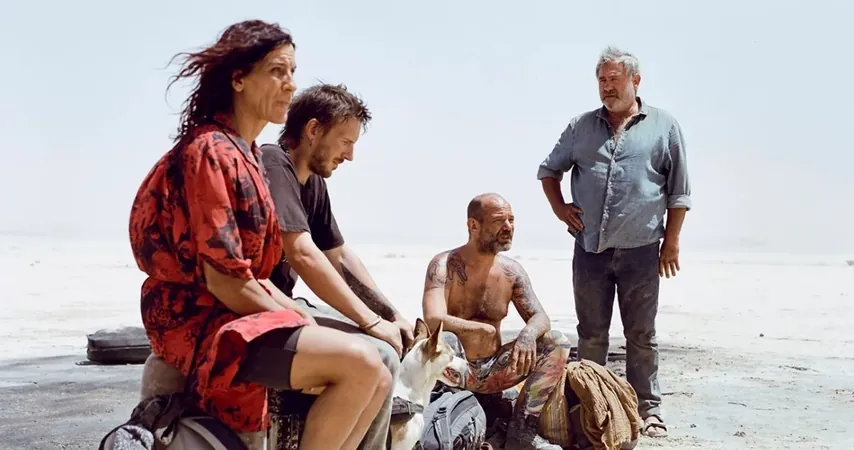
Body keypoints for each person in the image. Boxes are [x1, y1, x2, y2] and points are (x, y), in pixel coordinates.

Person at [128, 20, 391, 450]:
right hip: (202, 321)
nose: (290, 85)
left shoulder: (246, 154)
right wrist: (300, 321)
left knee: (378, 373)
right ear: (238, 79)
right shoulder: (210, 151)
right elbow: (227, 281)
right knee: (361, 362)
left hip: (238, 313)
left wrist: (301, 317)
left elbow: (257, 275)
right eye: (276, 71)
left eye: (292, 72)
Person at [536, 46, 692, 438]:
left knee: (642, 335)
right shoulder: (581, 126)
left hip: (642, 249)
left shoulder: (664, 126)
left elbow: (679, 192)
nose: (607, 87)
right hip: (590, 249)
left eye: (614, 79)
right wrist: (560, 209)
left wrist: (671, 242)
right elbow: (549, 170)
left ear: (635, 80)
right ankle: (591, 406)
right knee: (591, 334)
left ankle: (648, 410)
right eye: (602, 80)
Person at [259, 83, 414, 450]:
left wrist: (391, 315)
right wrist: (370, 323)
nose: (350, 155)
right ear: (313, 130)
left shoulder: (312, 183)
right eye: (345, 142)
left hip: (287, 309)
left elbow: (338, 256)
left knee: (386, 358)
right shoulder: (273, 163)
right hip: (259, 311)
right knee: (378, 355)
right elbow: (302, 254)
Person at [421, 193, 571, 450]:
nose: (509, 227)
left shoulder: (511, 272)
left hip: (494, 371)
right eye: (500, 221)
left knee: (556, 342)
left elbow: (540, 317)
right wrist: (482, 329)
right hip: (453, 371)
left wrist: (527, 335)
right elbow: (433, 319)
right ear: (473, 225)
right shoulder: (444, 265)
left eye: (512, 220)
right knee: (446, 338)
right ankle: (453, 422)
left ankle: (522, 432)